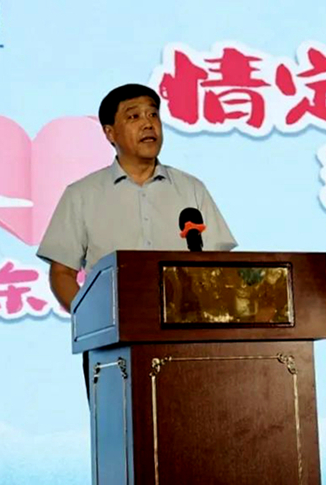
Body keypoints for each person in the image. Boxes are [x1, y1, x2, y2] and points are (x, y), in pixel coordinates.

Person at [36, 83, 237, 396]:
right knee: (120, 423)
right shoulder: (82, 195)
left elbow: (219, 265)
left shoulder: (191, 189)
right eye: (134, 117)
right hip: (110, 348)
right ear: (110, 133)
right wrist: (93, 322)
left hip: (187, 340)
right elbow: (61, 273)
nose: (148, 124)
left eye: (153, 115)